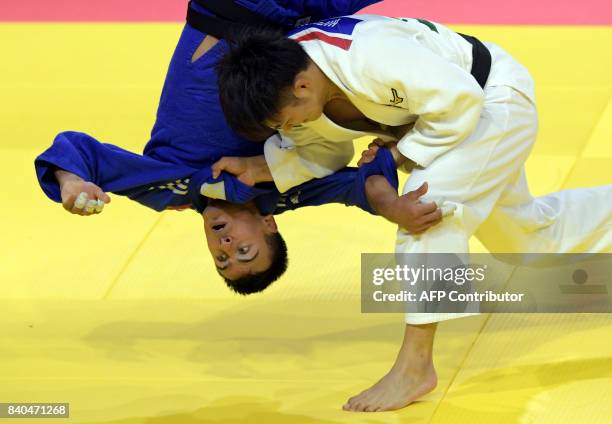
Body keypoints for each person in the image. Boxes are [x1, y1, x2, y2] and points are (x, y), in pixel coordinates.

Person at [215, 14, 612, 411]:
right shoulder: (289, 80)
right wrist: (259, 168)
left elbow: (462, 102)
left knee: (425, 213)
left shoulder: (371, 56)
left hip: (491, 100)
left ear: (302, 86)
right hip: (443, 121)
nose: (288, 128)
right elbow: (324, 150)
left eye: (285, 121)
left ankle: (416, 367)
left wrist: (399, 152)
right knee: (529, 243)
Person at [35, 1, 412, 289]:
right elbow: (357, 187)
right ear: (269, 225)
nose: (227, 246)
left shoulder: (168, 188)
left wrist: (71, 183)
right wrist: (394, 200)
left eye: (221, 259)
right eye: (242, 251)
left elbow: (80, 151)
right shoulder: (285, 191)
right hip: (302, 21)